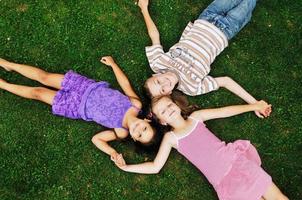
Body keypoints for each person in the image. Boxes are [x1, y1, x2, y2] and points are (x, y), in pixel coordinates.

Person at [115, 96, 288, 200]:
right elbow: (155, 166)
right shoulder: (171, 138)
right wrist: (126, 167)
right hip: (224, 182)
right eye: (163, 111)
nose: (168, 110)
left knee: (277, 197)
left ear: (176, 104)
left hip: (238, 164)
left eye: (169, 105)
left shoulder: (196, 118)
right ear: (162, 121)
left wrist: (254, 106)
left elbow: (224, 111)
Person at [0, 57, 155, 165]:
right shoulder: (135, 105)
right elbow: (125, 84)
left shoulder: (121, 132)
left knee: (38, 93)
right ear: (147, 120)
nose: (138, 129)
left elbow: (97, 140)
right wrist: (113, 65)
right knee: (45, 77)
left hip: (74, 106)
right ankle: (9, 65)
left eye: (139, 135)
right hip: (83, 86)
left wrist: (112, 153)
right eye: (145, 128)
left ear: (134, 139)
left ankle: (4, 85)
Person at [138, 0, 266, 118]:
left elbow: (154, 36)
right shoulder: (192, 87)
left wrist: (144, 8)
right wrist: (254, 103)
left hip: (206, 18)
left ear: (155, 74)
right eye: (163, 90)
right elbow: (225, 81)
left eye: (158, 82)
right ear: (169, 94)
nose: (165, 83)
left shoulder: (157, 63)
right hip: (226, 30)